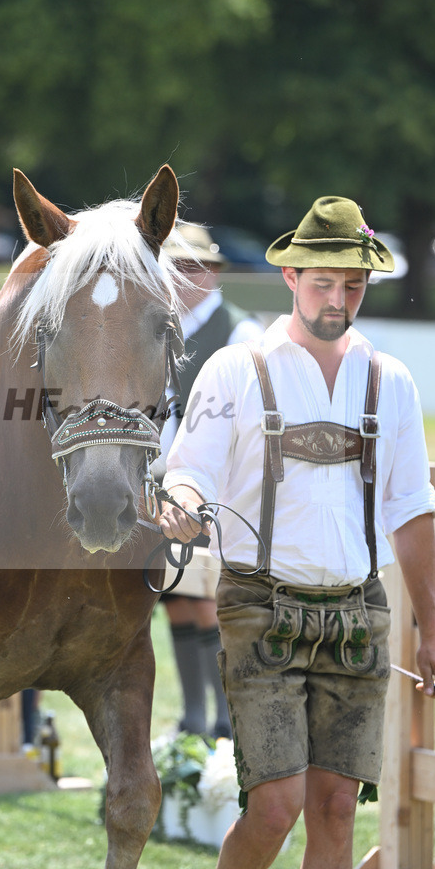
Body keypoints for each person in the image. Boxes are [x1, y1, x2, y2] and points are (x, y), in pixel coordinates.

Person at [159, 196, 435, 869]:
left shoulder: (391, 381)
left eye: (353, 285)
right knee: (275, 807)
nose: (338, 299)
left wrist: (429, 631)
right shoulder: (234, 368)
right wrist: (181, 503)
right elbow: (186, 468)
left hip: (356, 611)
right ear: (289, 274)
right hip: (259, 606)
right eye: (323, 282)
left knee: (332, 810)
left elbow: (411, 509)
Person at [158, 224, 264, 741]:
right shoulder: (160, 325)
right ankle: (193, 716)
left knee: (208, 601)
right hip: (163, 483)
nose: (180, 276)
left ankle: (224, 718)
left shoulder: (239, 332)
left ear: (214, 272)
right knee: (175, 598)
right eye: (172, 266)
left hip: (215, 486)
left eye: (191, 265)